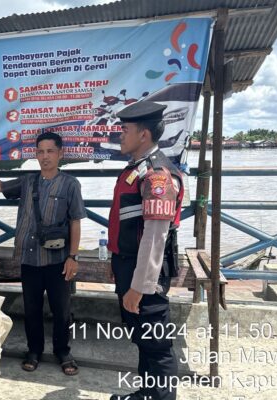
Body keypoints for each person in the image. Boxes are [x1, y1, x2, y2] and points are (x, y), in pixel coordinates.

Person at [0, 132, 85, 376]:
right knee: (31, 309)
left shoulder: (71, 184)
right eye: (40, 152)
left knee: (61, 310)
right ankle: (34, 351)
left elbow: (75, 221)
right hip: (29, 259)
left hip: (58, 260)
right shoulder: (28, 182)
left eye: (50, 151)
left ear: (60, 153)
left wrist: (73, 257)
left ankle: (63, 352)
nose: (45, 156)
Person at [107, 101, 184, 400]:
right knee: (142, 338)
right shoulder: (136, 171)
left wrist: (139, 287)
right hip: (129, 268)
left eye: (125, 130)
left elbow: (155, 237)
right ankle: (148, 394)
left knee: (157, 344)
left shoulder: (157, 177)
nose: (119, 135)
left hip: (146, 277)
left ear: (144, 135)